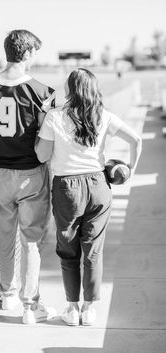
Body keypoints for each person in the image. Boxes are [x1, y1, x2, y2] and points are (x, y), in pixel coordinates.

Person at [35, 68, 142, 326]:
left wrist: (41, 117)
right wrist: (130, 172)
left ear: (70, 89)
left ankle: (71, 309)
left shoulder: (54, 117)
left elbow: (41, 155)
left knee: (68, 250)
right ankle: (89, 309)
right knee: (93, 250)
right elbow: (136, 140)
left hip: (67, 189)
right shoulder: (104, 115)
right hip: (98, 185)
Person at [0, 29, 56, 324]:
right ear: (29, 53)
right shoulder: (41, 91)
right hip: (31, 172)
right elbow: (45, 142)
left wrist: (1, 149)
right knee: (31, 240)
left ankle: (8, 295)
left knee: (5, 237)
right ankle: (30, 306)